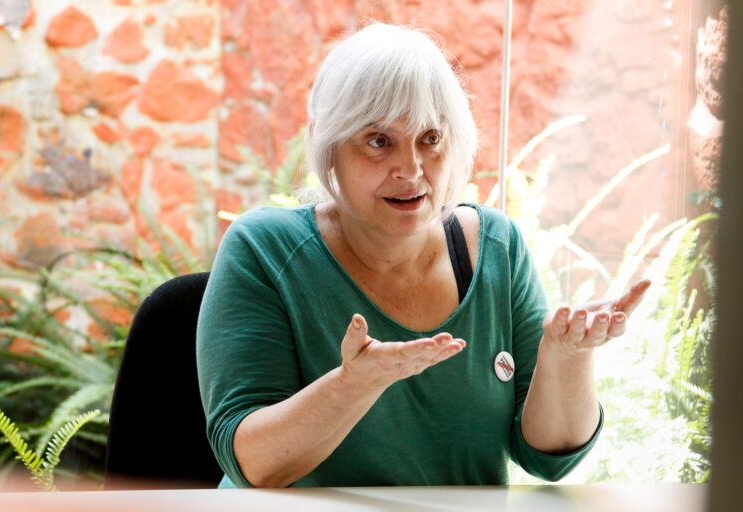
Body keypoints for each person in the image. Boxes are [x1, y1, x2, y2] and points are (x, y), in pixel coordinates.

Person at [196, 22, 650, 488]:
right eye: (379, 141)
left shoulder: (497, 247)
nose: (410, 169)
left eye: (430, 138)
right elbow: (253, 465)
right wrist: (355, 385)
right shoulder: (263, 248)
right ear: (328, 146)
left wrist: (567, 357)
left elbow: (549, 460)